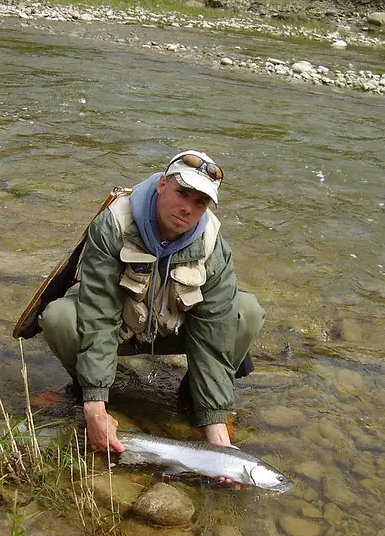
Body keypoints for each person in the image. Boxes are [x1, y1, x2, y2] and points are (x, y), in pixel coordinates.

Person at [36, 150, 265, 454]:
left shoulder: (213, 245)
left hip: (177, 331)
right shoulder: (113, 227)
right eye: (182, 193)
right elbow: (99, 318)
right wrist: (95, 409)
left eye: (200, 202)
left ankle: (193, 400)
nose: (187, 209)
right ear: (161, 185)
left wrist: (218, 434)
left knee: (246, 312)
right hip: (122, 330)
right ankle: (88, 392)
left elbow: (215, 337)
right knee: (59, 316)